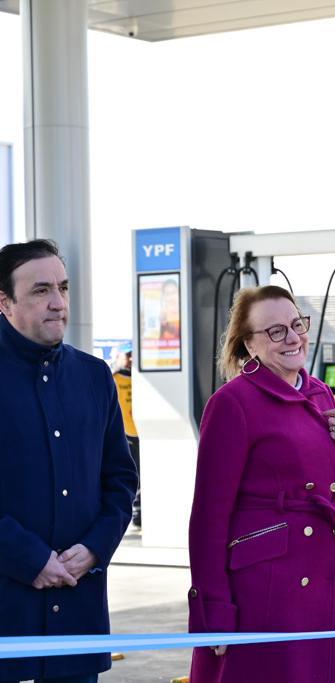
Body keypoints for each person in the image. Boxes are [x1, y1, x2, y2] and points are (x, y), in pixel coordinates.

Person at [188, 285, 335, 683]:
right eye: (276, 331)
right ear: (249, 344)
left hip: (324, 575)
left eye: (297, 325)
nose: (293, 338)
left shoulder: (319, 392)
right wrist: (214, 608)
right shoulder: (232, 402)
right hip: (265, 587)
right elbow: (208, 517)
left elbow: (327, 492)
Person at [0, 239, 138, 683]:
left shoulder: (94, 376)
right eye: (41, 290)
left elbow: (120, 479)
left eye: (62, 287)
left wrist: (96, 546)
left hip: (79, 613)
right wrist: (29, 559)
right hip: (9, 611)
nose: (58, 302)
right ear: (4, 302)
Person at [112, 343, 142, 528]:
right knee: (131, 472)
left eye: (133, 355)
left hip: (143, 432)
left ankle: (140, 511)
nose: (130, 359)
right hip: (125, 433)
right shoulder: (113, 378)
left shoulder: (141, 378)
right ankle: (135, 510)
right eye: (127, 355)